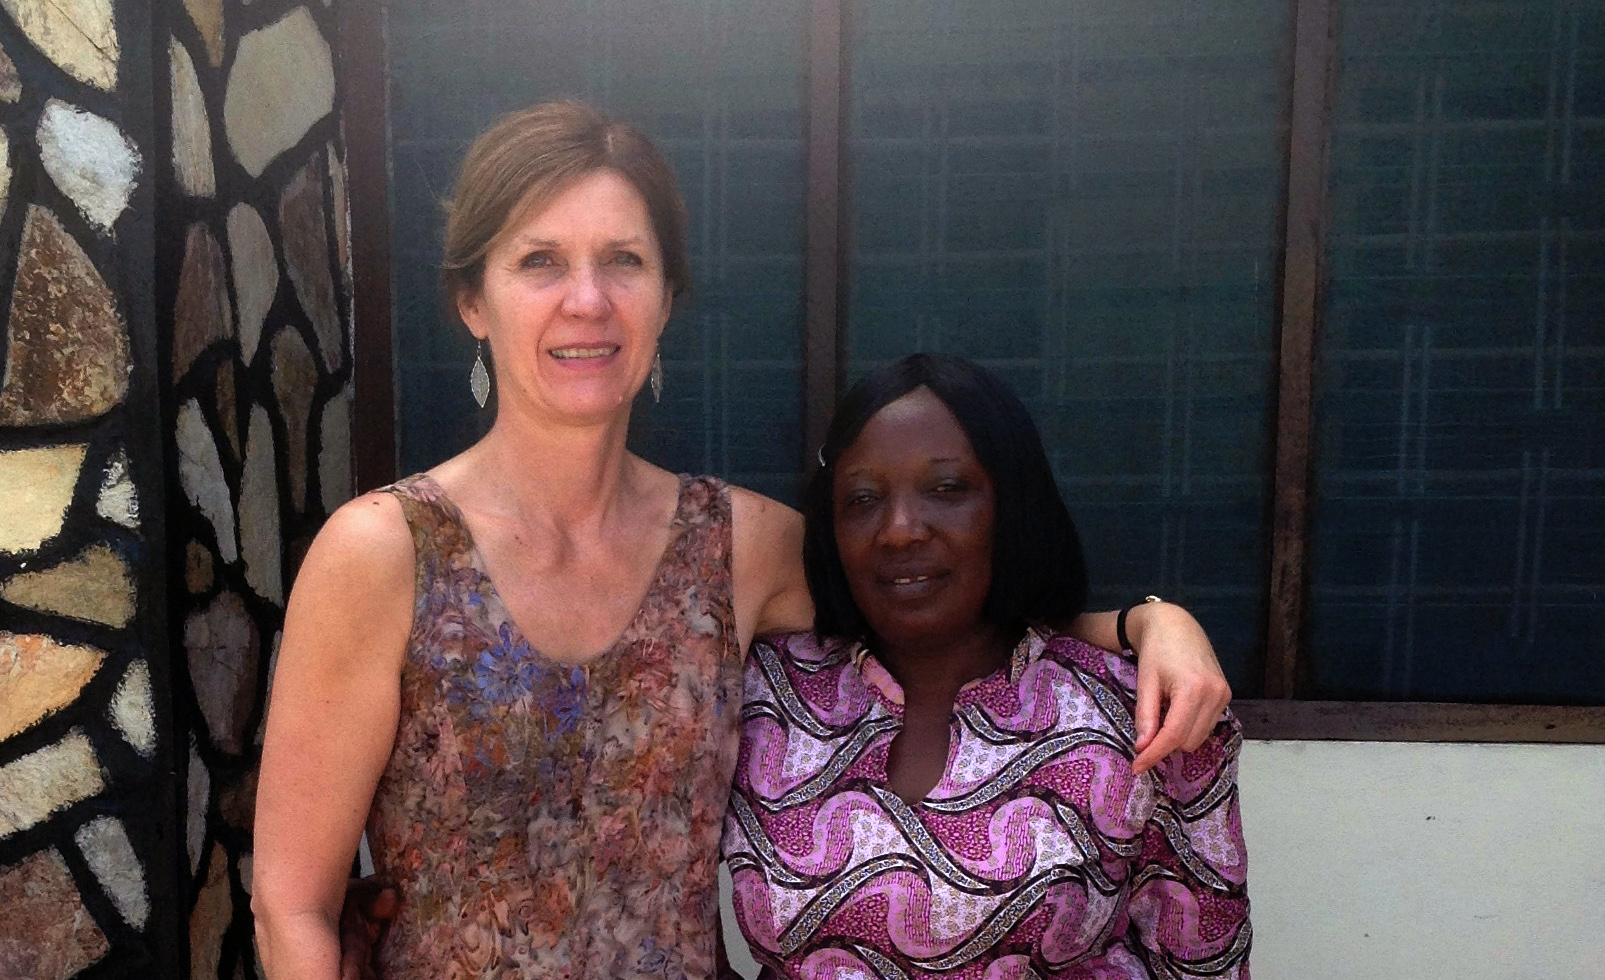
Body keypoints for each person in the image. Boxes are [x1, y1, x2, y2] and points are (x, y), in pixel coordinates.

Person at [252, 101, 1233, 980]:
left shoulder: (737, 548)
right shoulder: (385, 554)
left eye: (623, 260)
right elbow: (291, 906)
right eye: (539, 260)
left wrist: (1149, 624)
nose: (586, 299)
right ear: (473, 300)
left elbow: (944, 600)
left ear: (666, 298)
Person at [722, 354, 1250, 978]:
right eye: (862, 498)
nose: (898, 530)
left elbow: (1202, 959)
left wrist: (1157, 619)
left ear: (1013, 504)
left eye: (947, 489)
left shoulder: (1140, 710)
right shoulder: (762, 696)